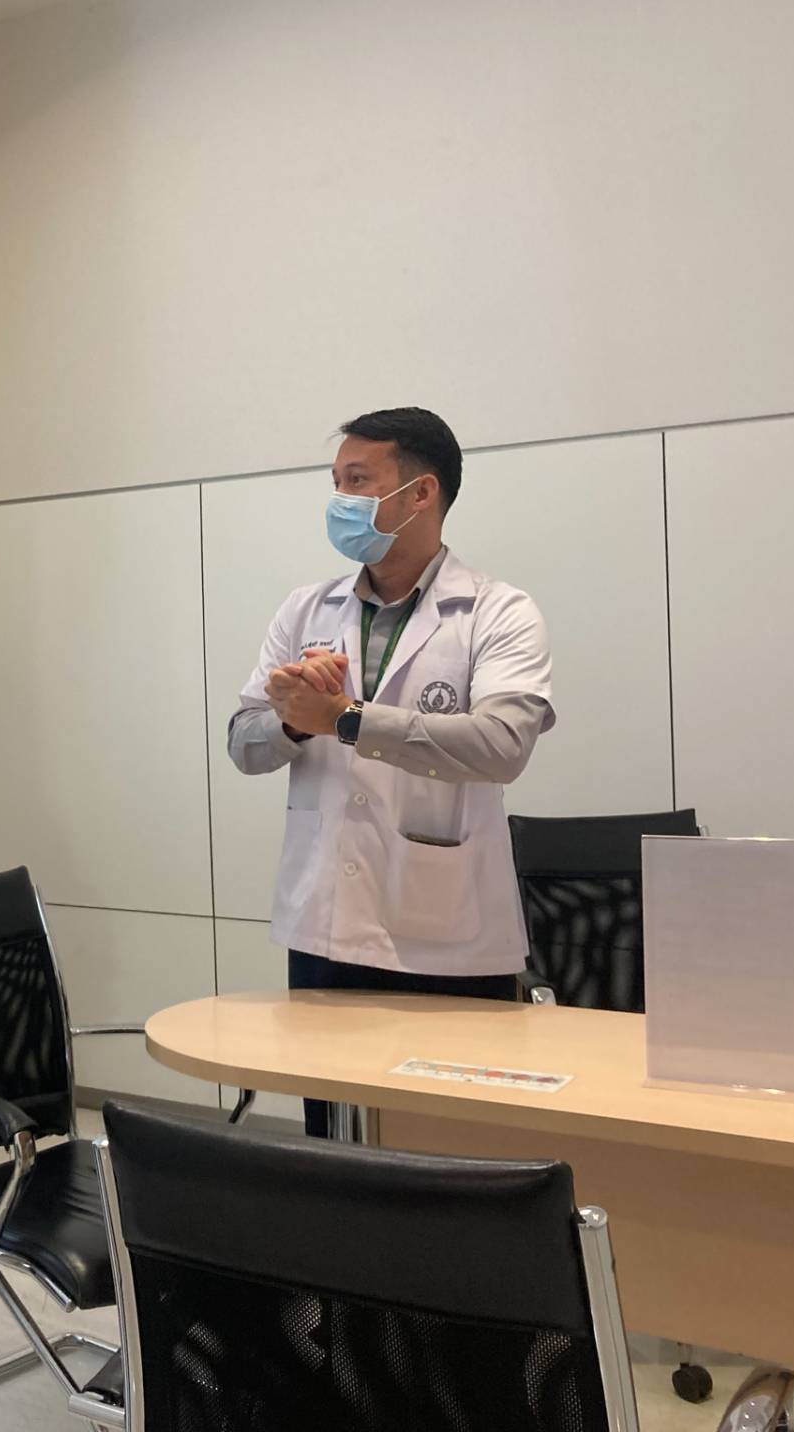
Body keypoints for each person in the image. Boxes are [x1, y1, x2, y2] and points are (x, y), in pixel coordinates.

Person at [227, 407, 555, 1137]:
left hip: (450, 935)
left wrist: (344, 718)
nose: (339, 499)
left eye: (357, 481)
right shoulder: (305, 609)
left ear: (420, 493)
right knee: (335, 1144)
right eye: (336, 482)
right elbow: (244, 745)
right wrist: (291, 719)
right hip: (324, 924)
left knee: (454, 1150)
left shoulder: (497, 611)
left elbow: (502, 745)